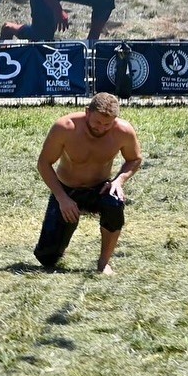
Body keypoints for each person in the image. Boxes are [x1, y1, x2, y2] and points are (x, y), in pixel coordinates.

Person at [34, 92, 143, 274]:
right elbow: (43, 163)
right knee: (46, 258)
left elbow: (135, 159)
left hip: (100, 188)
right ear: (87, 112)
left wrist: (119, 180)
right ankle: (60, 241)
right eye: (98, 122)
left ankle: (104, 263)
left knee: (114, 204)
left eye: (108, 124)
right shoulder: (65, 127)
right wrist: (62, 198)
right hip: (67, 190)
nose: (102, 128)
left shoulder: (123, 131)